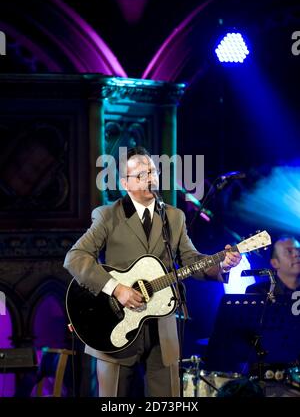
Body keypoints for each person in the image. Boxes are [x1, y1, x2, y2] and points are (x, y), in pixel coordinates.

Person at [64, 146, 242, 397]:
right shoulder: (107, 215)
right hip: (113, 322)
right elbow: (75, 258)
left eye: (152, 171)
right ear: (125, 183)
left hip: (162, 327)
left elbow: (191, 260)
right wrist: (117, 288)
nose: (150, 178)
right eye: (141, 175)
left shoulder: (174, 216)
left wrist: (221, 264)